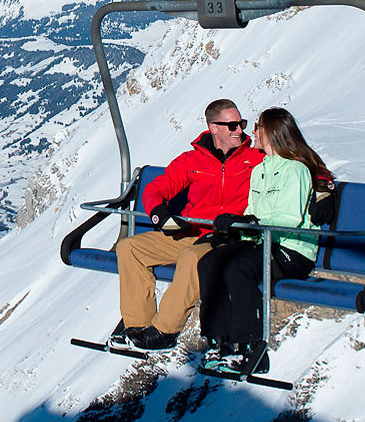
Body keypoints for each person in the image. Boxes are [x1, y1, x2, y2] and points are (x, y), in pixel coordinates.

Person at [109, 99, 264, 352]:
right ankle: (137, 328)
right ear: (214, 128)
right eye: (233, 125)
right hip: (191, 232)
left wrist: (325, 185)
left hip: (225, 237)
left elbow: (296, 161)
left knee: (193, 259)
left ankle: (165, 331)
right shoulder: (193, 160)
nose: (240, 130)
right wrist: (160, 214)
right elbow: (157, 187)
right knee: (129, 249)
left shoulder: (254, 157)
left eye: (242, 124)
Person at [197, 107, 331, 376]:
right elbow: (252, 210)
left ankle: (249, 346)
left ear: (271, 133)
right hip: (262, 242)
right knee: (210, 262)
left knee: (238, 268)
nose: (252, 133)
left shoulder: (296, 170)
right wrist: (237, 223)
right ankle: (218, 340)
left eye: (257, 127)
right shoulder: (260, 171)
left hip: (291, 248)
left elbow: (291, 217)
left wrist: (255, 223)